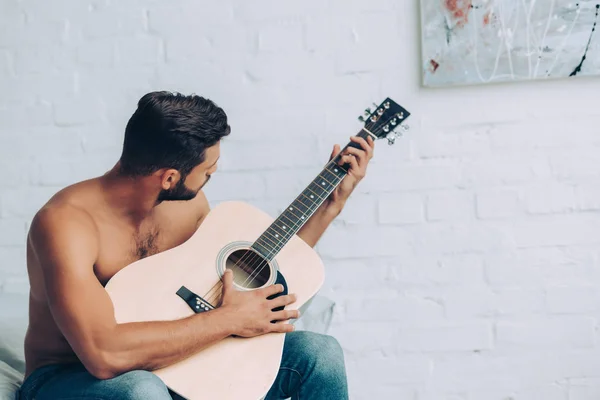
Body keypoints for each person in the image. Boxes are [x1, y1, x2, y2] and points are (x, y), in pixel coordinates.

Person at [17, 91, 375, 400]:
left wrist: (331, 206)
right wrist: (227, 320)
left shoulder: (186, 205)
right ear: (170, 178)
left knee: (319, 354)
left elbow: (249, 271)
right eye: (208, 170)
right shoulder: (66, 224)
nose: (211, 176)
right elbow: (103, 354)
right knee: (141, 391)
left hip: (177, 359)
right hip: (71, 375)